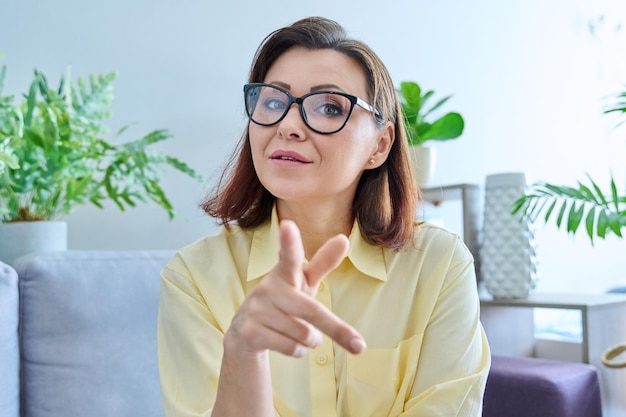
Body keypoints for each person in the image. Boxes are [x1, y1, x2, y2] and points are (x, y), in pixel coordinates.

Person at [157, 16, 490, 417]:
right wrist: (242, 355)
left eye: (329, 107)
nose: (289, 125)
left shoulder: (440, 266)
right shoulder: (194, 278)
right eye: (274, 102)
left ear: (380, 146)